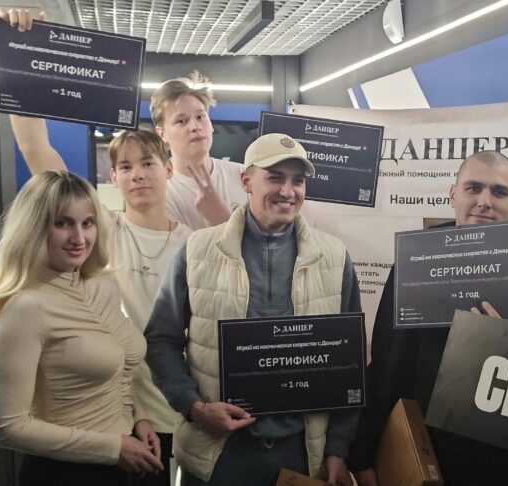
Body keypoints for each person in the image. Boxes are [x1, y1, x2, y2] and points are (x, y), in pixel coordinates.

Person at [0, 9, 192, 484]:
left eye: (147, 163)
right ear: (113, 177)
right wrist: (21, 49)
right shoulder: (100, 231)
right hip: (117, 412)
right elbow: (37, 152)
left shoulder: (197, 243)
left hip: (183, 407)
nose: (137, 175)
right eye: (125, 167)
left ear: (168, 168)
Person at [349, 150, 508, 486]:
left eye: (499, 192)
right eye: (473, 188)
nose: (484, 201)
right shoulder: (414, 268)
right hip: (426, 460)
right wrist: (362, 454)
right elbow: (388, 367)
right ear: (453, 194)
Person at [145, 133, 361, 486]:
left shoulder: (334, 258)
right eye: (275, 177)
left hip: (301, 457)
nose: (288, 191)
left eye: (298, 180)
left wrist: (337, 449)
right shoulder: (198, 252)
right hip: (219, 456)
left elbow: (349, 362)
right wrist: (196, 409)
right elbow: (160, 340)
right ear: (246, 181)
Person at [0, 171, 164, 486]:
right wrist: (113, 448)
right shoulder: (26, 307)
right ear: (34, 228)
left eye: (88, 223)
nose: (79, 238)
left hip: (120, 464)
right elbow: (5, 427)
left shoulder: (102, 283)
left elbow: (117, 371)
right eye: (63, 223)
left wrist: (138, 417)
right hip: (62, 473)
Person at [150, 71, 247, 230]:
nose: (195, 126)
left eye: (200, 117)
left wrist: (221, 218)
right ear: (162, 134)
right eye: (181, 121)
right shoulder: (157, 192)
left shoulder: (244, 177)